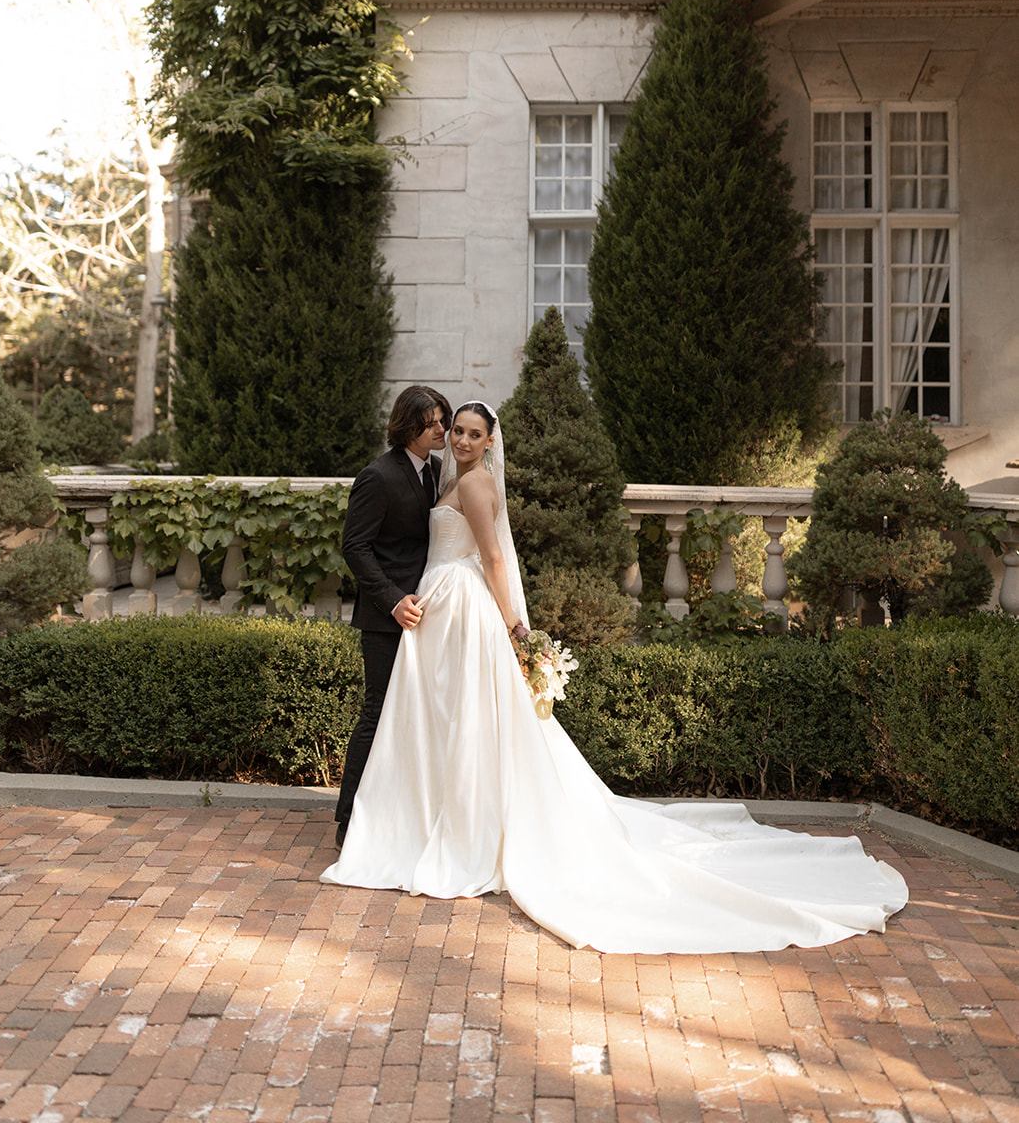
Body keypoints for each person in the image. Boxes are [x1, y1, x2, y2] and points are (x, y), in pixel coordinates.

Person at [323, 402, 908, 954]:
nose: (462, 439)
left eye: (474, 432)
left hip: (463, 605)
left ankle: (460, 828)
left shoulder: (473, 483)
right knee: (446, 720)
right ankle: (433, 816)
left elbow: (495, 559)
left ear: (491, 440)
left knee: (464, 720)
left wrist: (515, 627)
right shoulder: (445, 477)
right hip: (440, 604)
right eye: (456, 431)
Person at [334, 385, 452, 849]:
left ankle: (401, 814)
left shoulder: (438, 471)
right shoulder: (377, 476)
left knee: (417, 714)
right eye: (434, 422)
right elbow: (354, 546)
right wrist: (391, 599)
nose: (442, 429)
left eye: (443, 419)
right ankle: (348, 820)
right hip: (386, 618)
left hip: (428, 614)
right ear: (409, 426)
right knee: (377, 712)